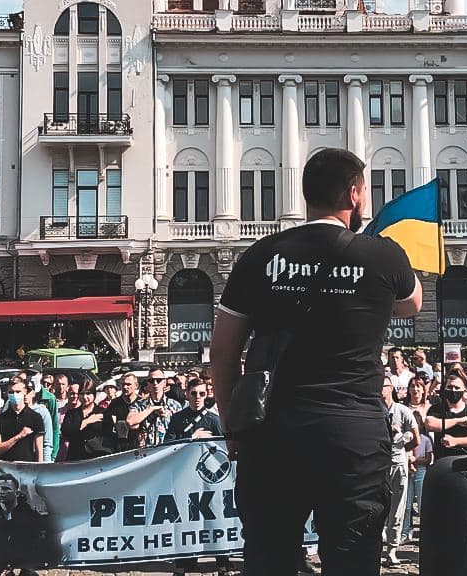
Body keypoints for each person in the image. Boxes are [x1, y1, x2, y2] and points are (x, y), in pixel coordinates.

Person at [212, 147, 421, 575]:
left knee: (271, 559)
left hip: (273, 435)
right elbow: (412, 303)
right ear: (354, 193)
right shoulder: (383, 255)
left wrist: (232, 424)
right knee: (353, 560)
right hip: (353, 439)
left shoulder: (261, 255)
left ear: (306, 195)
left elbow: (224, 350)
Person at [381, 377, 418, 566]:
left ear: (391, 388)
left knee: (398, 508)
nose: (380, 389)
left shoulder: (403, 411)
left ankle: (392, 550)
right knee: (379, 506)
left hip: (398, 463)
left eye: (384, 385)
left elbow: (416, 439)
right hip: (379, 465)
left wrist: (404, 447)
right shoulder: (375, 411)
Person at [426, 374, 467, 459]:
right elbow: (430, 424)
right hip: (442, 461)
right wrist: (457, 421)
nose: (453, 390)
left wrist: (456, 441)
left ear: (464, 391)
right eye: (450, 387)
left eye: (457, 388)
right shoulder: (436, 409)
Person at [0, 378, 44, 462]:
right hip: (7, 467)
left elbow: (39, 449)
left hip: (28, 468)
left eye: (18, 392)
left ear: (25, 392)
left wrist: (39, 471)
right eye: (11, 392)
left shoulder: (35, 417)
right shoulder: (0, 419)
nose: (14, 395)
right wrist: (18, 436)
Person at [128, 366, 183, 448]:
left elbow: (181, 430)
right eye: (151, 381)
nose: (155, 383)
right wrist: (151, 409)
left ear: (164, 382)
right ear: (147, 384)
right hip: (146, 451)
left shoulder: (175, 405)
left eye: (159, 380)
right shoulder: (139, 405)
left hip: (167, 450)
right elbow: (130, 421)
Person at [164, 378, 224, 442]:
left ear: (206, 395)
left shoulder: (214, 420)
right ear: (187, 394)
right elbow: (168, 444)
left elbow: (223, 445)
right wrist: (191, 437)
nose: (198, 396)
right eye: (194, 393)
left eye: (202, 394)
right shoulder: (177, 418)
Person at [105, 373, 141, 453]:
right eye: (123, 384)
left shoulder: (142, 403)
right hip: (120, 446)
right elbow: (108, 426)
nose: (125, 387)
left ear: (136, 385)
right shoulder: (115, 403)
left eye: (128, 384)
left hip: (138, 445)